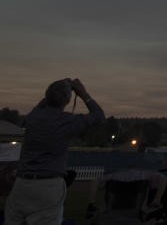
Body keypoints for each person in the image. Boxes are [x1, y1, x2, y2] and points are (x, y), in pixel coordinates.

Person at [4, 79, 104, 225]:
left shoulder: (33, 117)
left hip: (21, 184)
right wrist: (83, 94)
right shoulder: (66, 121)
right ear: (68, 99)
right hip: (48, 186)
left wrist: (54, 91)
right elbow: (98, 116)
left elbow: (43, 104)